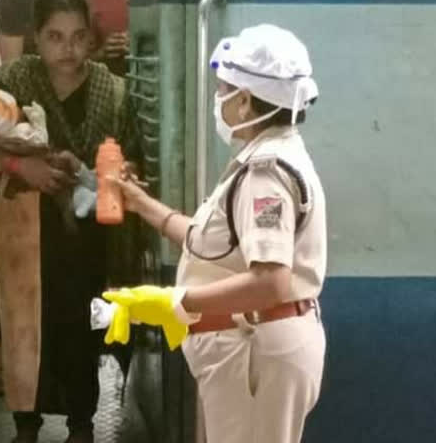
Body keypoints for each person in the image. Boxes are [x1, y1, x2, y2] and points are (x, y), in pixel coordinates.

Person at [105, 24, 326, 443]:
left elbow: (270, 281)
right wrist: (139, 202)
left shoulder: (266, 174)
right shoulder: (265, 156)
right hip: (251, 348)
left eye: (223, 89)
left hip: (256, 351)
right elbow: (213, 245)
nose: (218, 99)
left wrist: (176, 302)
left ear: (244, 102)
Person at [0, 0, 141, 443]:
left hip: (90, 237)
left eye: (79, 36)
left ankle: (82, 422)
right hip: (24, 234)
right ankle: (26, 425)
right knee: (22, 327)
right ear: (36, 38)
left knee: (82, 328)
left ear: (92, 39)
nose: (69, 48)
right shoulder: (11, 82)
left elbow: (134, 159)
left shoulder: (113, 91)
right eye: (55, 37)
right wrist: (22, 165)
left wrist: (114, 174)